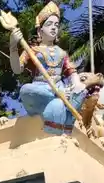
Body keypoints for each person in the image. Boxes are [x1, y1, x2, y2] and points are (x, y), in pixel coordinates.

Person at [7, 1, 86, 134]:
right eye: (49, 24)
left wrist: (77, 84)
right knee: (25, 90)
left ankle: (65, 120)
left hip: (60, 88)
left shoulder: (62, 53)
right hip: (41, 89)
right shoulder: (32, 50)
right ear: (39, 30)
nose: (54, 28)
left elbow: (72, 72)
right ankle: (57, 98)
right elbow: (17, 69)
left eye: (56, 24)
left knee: (81, 91)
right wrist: (13, 47)